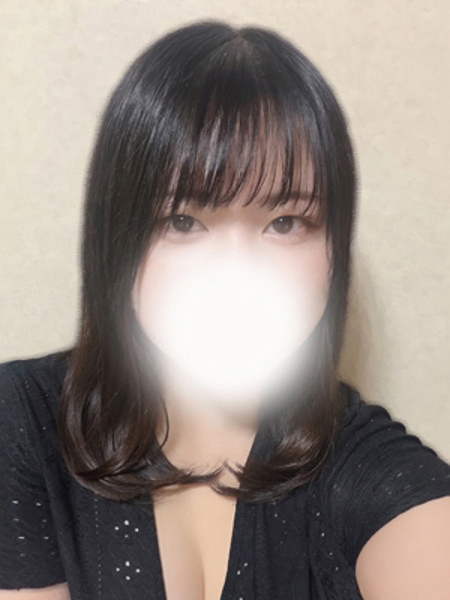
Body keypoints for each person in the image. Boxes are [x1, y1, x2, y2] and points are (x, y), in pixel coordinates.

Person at [1, 19, 449, 600]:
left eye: (285, 222)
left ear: (333, 249)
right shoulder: (24, 422)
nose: (237, 273)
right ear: (116, 239)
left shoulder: (363, 463)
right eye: (182, 221)